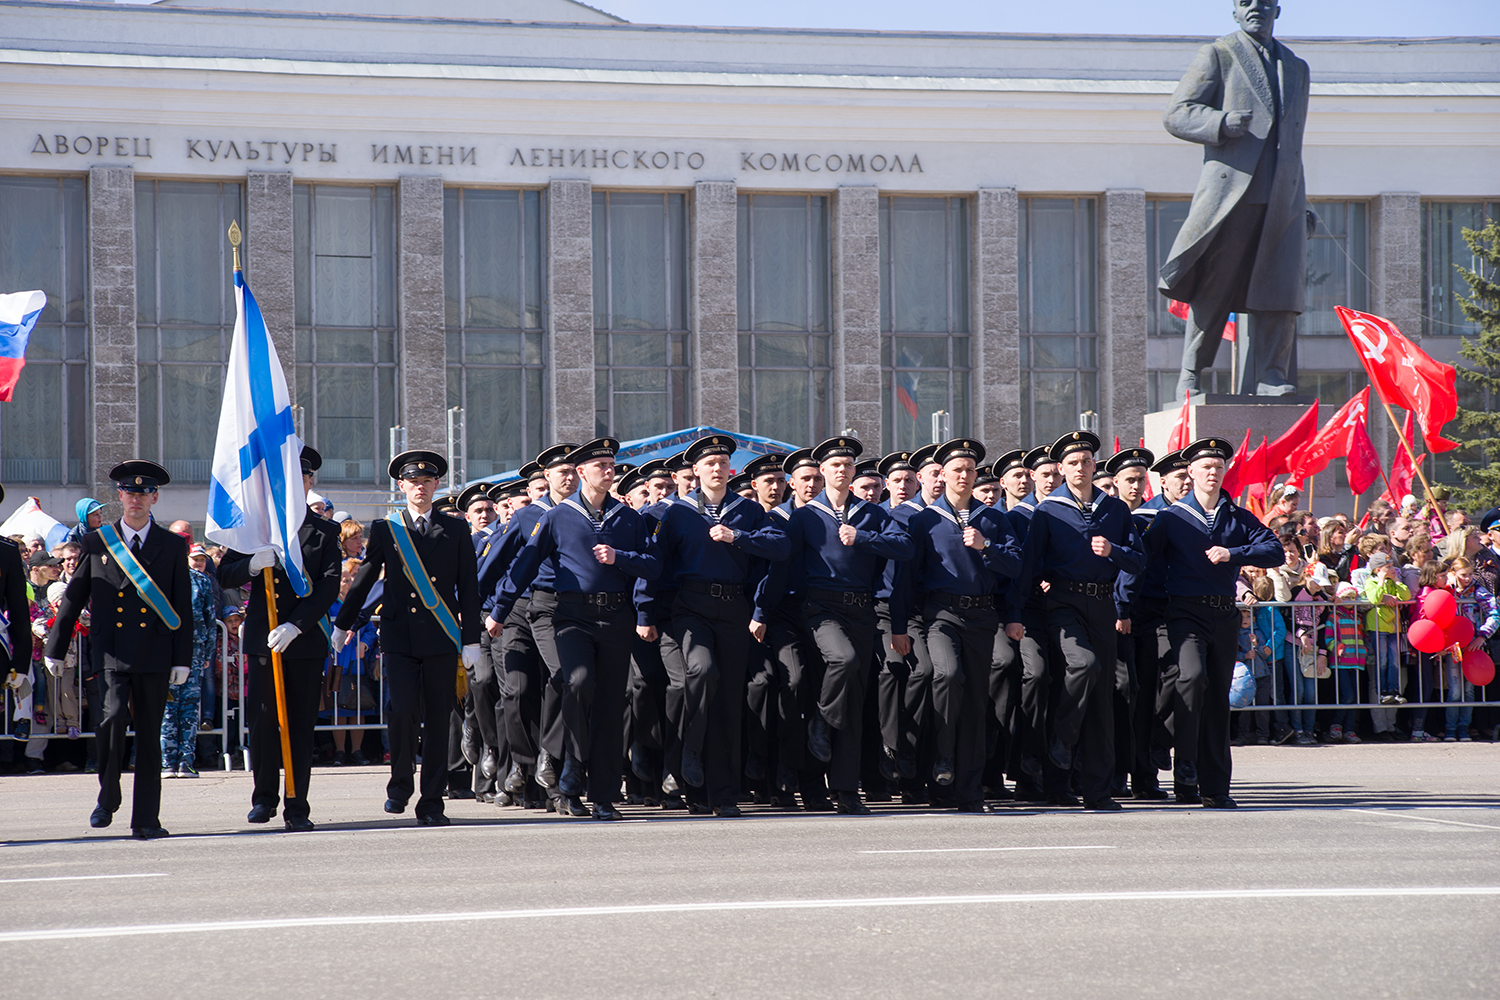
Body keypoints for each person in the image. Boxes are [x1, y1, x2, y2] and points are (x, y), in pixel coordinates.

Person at [490, 437, 660, 820]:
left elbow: (653, 566)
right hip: (572, 617)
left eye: (612, 465)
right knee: (578, 682)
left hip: (616, 618)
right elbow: (525, 564)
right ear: (582, 472)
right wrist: (499, 611)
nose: (609, 471)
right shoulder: (557, 515)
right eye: (601, 466)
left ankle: (602, 795)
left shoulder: (628, 517)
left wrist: (623, 557)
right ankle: (569, 767)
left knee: (610, 705)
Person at [1160, 0, 1311, 396]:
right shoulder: (1218, 54)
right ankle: (1191, 374)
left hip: (1283, 197)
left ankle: (1271, 375)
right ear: (1234, 12)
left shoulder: (1296, 68)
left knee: (1280, 291)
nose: (1255, 8)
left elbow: (1292, 145)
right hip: (1233, 194)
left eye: (1263, 3)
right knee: (1215, 287)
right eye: (1246, 3)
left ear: (1277, 11)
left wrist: (1302, 202)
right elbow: (1177, 113)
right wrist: (1220, 122)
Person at [335, 450, 482, 827]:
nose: (421, 487)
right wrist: (344, 622)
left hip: (440, 637)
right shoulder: (387, 528)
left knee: (437, 720)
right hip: (400, 637)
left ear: (436, 486)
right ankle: (399, 786)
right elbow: (367, 577)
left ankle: (432, 801)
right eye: (413, 482)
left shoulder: (456, 529)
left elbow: (468, 586)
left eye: (427, 481)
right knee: (401, 711)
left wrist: (471, 639)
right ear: (402, 486)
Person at [768, 436, 914, 815]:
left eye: (848, 466)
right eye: (836, 466)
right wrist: (761, 612)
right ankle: (820, 725)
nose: (843, 471)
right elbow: (783, 567)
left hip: (862, 610)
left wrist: (863, 537)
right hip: (820, 610)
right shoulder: (804, 516)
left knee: (852, 699)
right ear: (822, 472)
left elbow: (904, 549)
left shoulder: (873, 513)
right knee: (843, 662)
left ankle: (847, 791)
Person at [46, 461, 191, 839]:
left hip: (156, 653)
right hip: (111, 652)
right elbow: (75, 597)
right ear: (120, 497)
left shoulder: (173, 545)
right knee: (110, 723)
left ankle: (146, 818)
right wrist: (56, 646)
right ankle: (107, 797)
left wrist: (182, 658)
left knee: (148, 734)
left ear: (154, 498)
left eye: (144, 493)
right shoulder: (98, 542)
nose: (136, 500)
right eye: (129, 493)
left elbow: (182, 606)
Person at [646, 434, 789, 816]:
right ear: (695, 471)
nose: (718, 469)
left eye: (724, 463)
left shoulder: (747, 510)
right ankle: (691, 757)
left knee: (728, 703)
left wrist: (737, 537)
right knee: (701, 671)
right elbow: (656, 563)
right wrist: (646, 613)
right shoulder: (677, 511)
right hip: (691, 605)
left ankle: (722, 794)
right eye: (710, 463)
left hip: (734, 607)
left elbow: (779, 548)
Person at [1141, 437, 1282, 808]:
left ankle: (1215, 786)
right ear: (1191, 472)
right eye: (1206, 467)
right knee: (1191, 678)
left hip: (1223, 614)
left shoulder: (1235, 516)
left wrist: (1233, 553)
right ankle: (1184, 761)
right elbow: (1141, 559)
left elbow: (1274, 550)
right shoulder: (1171, 518)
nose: (1213, 473)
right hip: (1184, 612)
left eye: (1219, 467)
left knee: (1217, 698)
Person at [1007, 431, 1143, 811]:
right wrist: (1016, 613)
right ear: (1061, 470)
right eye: (1072, 463)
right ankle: (1062, 739)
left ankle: (1097, 792)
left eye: (1086, 461)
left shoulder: (1115, 511)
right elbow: (1029, 565)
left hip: (1101, 605)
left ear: (1094, 466)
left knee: (1101, 700)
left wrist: (1113, 550)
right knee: (1082, 665)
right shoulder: (1048, 510)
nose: (1080, 468)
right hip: (1063, 602)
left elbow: (1138, 561)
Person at [892, 439, 1020, 812]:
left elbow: (1016, 568)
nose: (964, 476)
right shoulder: (924, 520)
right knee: (946, 676)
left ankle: (969, 791)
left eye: (970, 470)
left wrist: (987, 548)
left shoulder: (995, 519)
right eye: (957, 470)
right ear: (941, 475)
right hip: (941, 615)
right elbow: (905, 579)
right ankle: (942, 757)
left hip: (982, 616)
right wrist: (899, 625)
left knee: (976, 701)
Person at [220, 446, 343, 830]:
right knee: (261, 722)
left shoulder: (325, 532)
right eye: (289, 477)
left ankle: (297, 805)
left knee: (300, 725)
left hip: (301, 642)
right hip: (261, 640)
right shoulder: (254, 529)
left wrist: (297, 625)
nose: (296, 483)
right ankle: (263, 798)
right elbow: (225, 574)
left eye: (303, 477)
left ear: (310, 483)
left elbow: (328, 588)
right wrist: (252, 564)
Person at [159, 543, 217, 779]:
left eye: (202, 559)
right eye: (195, 558)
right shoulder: (166, 578)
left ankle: (185, 762)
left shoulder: (202, 581)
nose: (199, 562)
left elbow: (210, 618)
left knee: (189, 708)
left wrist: (208, 652)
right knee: (169, 707)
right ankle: (168, 762)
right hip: (170, 652)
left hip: (193, 652)